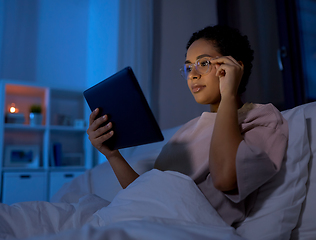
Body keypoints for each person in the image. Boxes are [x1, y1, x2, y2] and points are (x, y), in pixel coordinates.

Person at [87, 25, 288, 228]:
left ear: (234, 67)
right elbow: (145, 195)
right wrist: (112, 154)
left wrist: (229, 94)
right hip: (143, 220)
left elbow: (225, 179)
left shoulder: (261, 118)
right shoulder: (187, 131)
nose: (192, 74)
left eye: (203, 63)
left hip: (184, 228)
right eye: (189, 67)